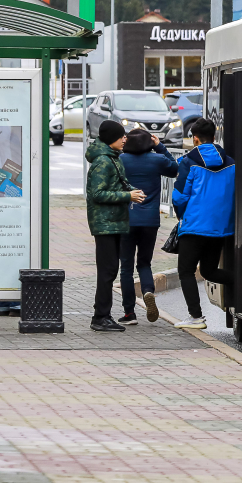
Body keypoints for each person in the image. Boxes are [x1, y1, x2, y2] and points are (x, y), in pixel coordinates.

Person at [171, 118, 235, 329]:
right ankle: (241, 284)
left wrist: (183, 216)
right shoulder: (231, 163)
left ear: (195, 138)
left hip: (194, 226)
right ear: (214, 137)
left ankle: (196, 317)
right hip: (220, 228)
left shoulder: (188, 162)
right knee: (209, 270)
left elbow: (179, 197)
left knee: (186, 271)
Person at [86, 120, 145, 332]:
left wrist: (132, 192)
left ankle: (102, 315)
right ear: (112, 139)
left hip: (114, 222)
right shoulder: (103, 161)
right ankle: (100, 317)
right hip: (105, 224)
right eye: (122, 137)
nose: (125, 139)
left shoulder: (113, 158)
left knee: (110, 270)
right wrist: (126, 195)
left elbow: (119, 183)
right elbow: (97, 194)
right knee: (108, 270)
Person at [118, 129, 179, 325]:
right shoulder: (156, 160)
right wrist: (160, 146)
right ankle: (148, 292)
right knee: (144, 263)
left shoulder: (121, 160)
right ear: (148, 144)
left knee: (126, 267)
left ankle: (129, 313)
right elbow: (175, 169)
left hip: (126, 219)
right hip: (150, 221)